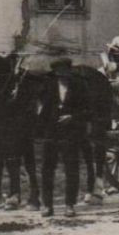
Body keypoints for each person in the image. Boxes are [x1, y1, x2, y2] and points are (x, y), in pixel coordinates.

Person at [38, 57, 91, 218]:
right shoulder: (47, 86)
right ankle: (47, 205)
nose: (63, 76)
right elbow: (41, 109)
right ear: (55, 73)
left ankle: (69, 205)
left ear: (70, 72)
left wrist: (72, 117)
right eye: (59, 73)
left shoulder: (79, 86)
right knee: (47, 169)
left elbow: (88, 110)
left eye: (65, 72)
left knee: (71, 169)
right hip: (51, 133)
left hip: (71, 134)